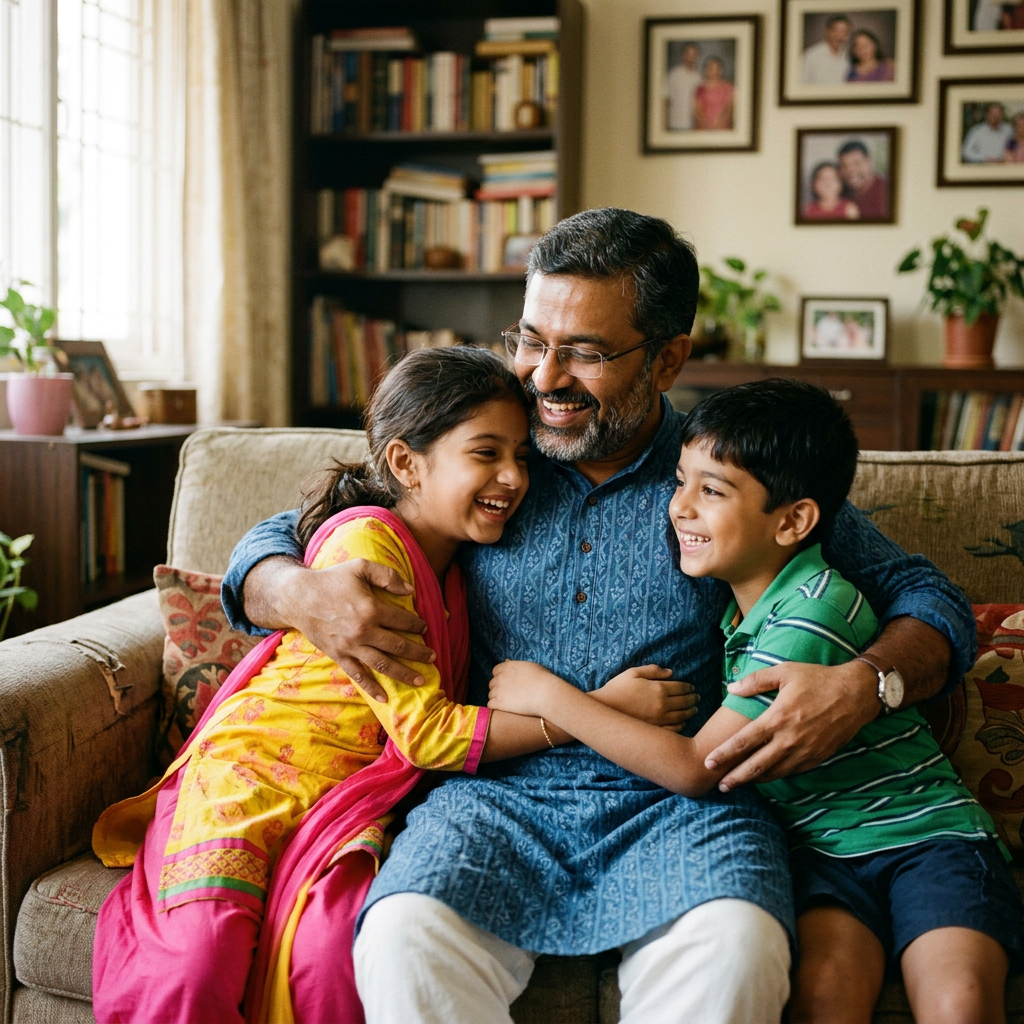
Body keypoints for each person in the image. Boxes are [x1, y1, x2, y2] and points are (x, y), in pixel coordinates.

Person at [224, 209, 976, 1024]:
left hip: (684, 807)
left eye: (584, 352)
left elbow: (924, 594)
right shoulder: (493, 452)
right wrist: (295, 591)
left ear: (668, 358)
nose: (545, 377)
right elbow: (293, 530)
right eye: (531, 340)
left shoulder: (722, 474)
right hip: (494, 799)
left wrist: (867, 684)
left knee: (738, 949)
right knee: (402, 937)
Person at [91, 347, 687, 1023]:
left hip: (356, 797)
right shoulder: (372, 550)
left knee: (329, 952)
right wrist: (595, 711)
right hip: (256, 772)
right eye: (487, 454)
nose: (515, 477)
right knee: (200, 956)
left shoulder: (467, 550)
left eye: (522, 456)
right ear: (405, 463)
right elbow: (427, 732)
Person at [489, 379, 1023, 1024]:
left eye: (711, 492)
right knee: (823, 1000)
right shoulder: (738, 610)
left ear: (793, 521)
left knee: (958, 1002)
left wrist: (552, 697)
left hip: (925, 838)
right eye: (679, 482)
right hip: (821, 854)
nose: (679, 508)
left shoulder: (812, 613)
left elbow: (698, 767)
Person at [838, 140, 889, 219]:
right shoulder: (840, 195)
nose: (850, 170)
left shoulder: (886, 190)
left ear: (869, 161)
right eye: (844, 165)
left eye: (857, 163)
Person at [801, 15, 851, 85]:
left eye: (844, 32)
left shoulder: (849, 57)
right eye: (836, 31)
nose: (839, 36)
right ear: (827, 31)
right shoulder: (811, 55)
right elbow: (802, 83)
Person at [666, 42, 701, 131]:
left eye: (694, 55)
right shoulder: (674, 75)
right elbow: (666, 101)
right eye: (689, 54)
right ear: (683, 56)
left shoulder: (699, 77)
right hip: (675, 124)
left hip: (694, 126)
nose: (691, 58)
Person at [693, 56, 734, 130]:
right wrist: (706, 124)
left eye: (716, 68)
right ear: (705, 69)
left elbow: (730, 109)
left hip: (722, 128)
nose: (713, 71)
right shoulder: (700, 89)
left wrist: (719, 123)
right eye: (710, 67)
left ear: (721, 70)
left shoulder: (729, 88)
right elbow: (697, 110)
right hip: (703, 129)